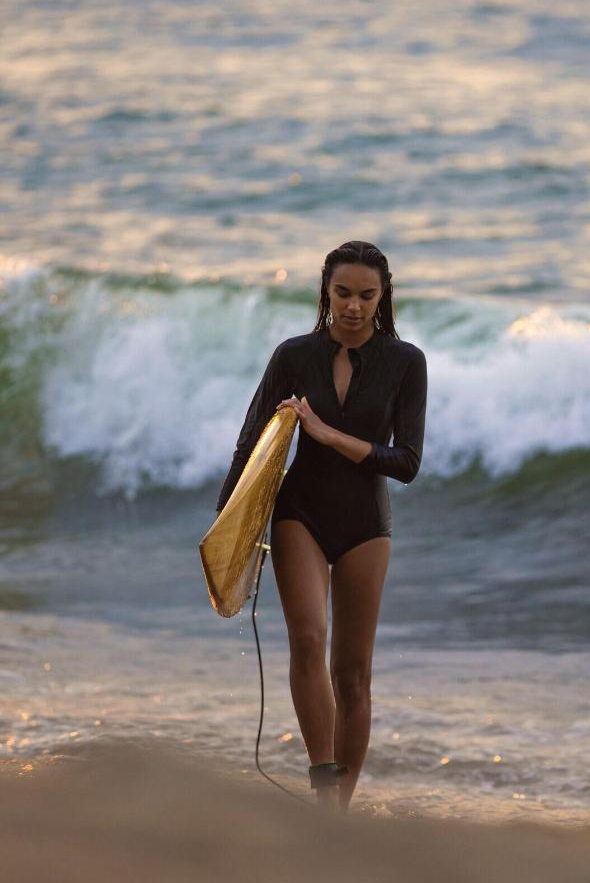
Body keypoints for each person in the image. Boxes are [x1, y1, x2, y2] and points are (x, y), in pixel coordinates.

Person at [215, 240, 427, 810]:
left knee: (352, 674)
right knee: (308, 640)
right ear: (326, 292)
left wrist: (328, 435)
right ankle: (324, 787)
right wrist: (226, 526)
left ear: (382, 297)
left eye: (366, 295)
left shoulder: (406, 363)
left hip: (366, 523)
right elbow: (249, 441)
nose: (353, 306)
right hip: (300, 512)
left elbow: (407, 462)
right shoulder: (294, 356)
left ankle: (339, 814)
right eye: (343, 293)